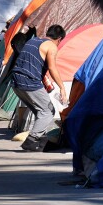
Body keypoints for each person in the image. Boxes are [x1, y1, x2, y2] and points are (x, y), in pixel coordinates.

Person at [10, 24, 67, 152]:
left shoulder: (33, 40)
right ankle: (31, 141)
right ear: (59, 39)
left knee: (39, 111)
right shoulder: (51, 46)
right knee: (48, 111)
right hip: (29, 81)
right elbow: (52, 68)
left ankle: (42, 141)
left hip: (15, 82)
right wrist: (62, 88)